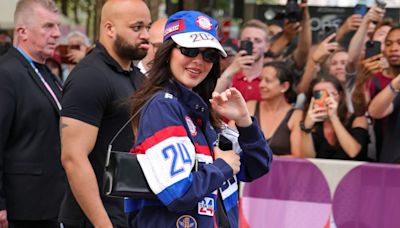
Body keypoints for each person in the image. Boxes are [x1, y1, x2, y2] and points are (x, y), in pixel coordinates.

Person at [125, 11, 272, 228]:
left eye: (209, 55)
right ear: (167, 53)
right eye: (189, 50)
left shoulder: (201, 110)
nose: (198, 61)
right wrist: (223, 166)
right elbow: (178, 193)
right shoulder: (163, 106)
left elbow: (257, 166)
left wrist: (244, 121)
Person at [59, 0, 150, 227]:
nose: (145, 35)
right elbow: (73, 158)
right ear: (110, 28)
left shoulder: (136, 77)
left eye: (147, 27)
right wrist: (103, 224)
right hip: (95, 219)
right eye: (137, 27)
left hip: (129, 213)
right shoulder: (90, 77)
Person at [0, 0, 66, 227]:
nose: (57, 34)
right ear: (22, 32)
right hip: (21, 209)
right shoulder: (6, 73)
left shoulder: (47, 72)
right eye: (48, 26)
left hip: (52, 204)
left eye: (57, 26)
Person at [297, 76, 369, 160]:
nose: (324, 99)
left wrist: (334, 117)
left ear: (340, 95)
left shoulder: (358, 119)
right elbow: (307, 159)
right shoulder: (312, 123)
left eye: (330, 94)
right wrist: (306, 129)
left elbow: (353, 152)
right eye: (319, 95)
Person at [247, 62, 301, 157]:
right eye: (261, 80)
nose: (261, 85)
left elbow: (298, 157)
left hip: (283, 171)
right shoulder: (249, 107)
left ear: (284, 86)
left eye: (267, 81)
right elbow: (230, 137)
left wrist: (269, 159)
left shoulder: (296, 115)